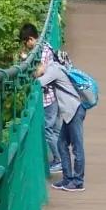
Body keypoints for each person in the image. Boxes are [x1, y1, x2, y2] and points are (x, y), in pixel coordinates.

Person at [37, 51, 86, 190]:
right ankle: (67, 178)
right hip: (70, 111)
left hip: (74, 110)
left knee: (77, 147)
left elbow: (39, 82)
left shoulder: (54, 69)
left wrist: (38, 72)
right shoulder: (58, 68)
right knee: (61, 144)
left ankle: (78, 182)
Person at [19, 21, 62, 179]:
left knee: (48, 130)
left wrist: (26, 65)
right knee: (54, 129)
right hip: (52, 94)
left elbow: (40, 71)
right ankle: (60, 158)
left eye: (26, 42)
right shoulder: (46, 45)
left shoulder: (42, 50)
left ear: (31, 39)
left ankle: (59, 160)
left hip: (48, 97)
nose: (26, 45)